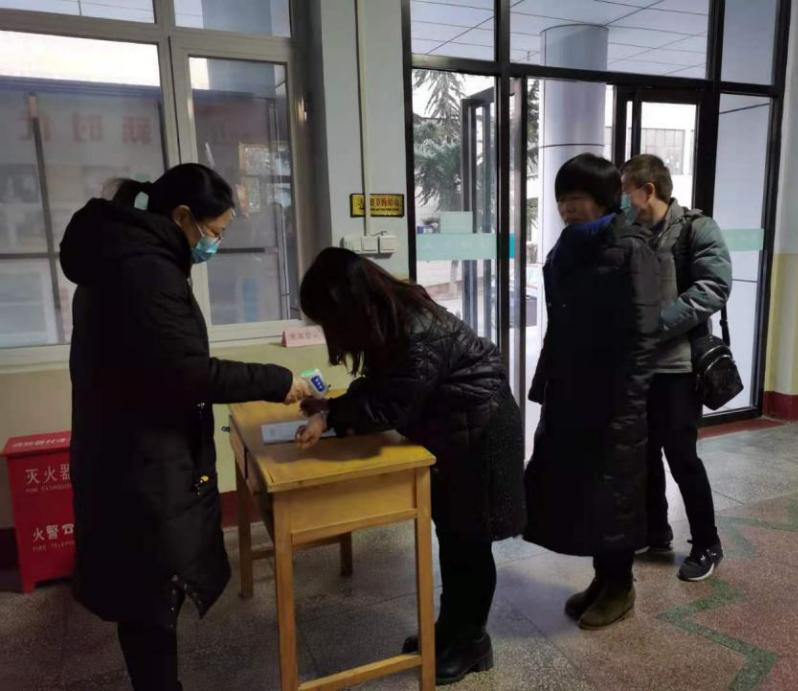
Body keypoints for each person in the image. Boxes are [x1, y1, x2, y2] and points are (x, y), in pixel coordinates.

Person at [61, 163, 311, 691]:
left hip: (125, 448)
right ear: (181, 217)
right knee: (150, 593)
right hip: (139, 460)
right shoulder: (144, 273)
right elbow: (187, 372)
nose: (214, 244)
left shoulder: (127, 257)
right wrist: (277, 380)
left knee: (146, 591)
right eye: (214, 232)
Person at [296, 247, 526, 685]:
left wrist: (331, 415)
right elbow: (383, 386)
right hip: (458, 431)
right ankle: (450, 629)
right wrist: (333, 408)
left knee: (470, 543)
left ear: (346, 305)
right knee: (454, 539)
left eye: (327, 318)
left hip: (482, 433)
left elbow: (391, 405)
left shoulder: (414, 328)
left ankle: (473, 642)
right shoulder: (392, 314)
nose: (329, 330)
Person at [523, 153, 660, 629]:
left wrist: (629, 404)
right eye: (562, 199)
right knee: (586, 489)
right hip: (572, 391)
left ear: (602, 199)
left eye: (577, 198)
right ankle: (603, 579)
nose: (567, 208)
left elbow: (643, 335)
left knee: (614, 490)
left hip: (614, 397)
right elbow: (560, 326)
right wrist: (546, 385)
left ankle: (620, 586)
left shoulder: (632, 249)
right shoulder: (567, 248)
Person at [620, 154, 732, 582]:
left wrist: (654, 325)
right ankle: (655, 531)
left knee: (682, 457)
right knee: (643, 453)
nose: (622, 201)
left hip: (679, 367)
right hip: (639, 367)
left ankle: (707, 544)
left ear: (648, 189)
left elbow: (714, 287)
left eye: (626, 191)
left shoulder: (695, 229)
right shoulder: (631, 232)